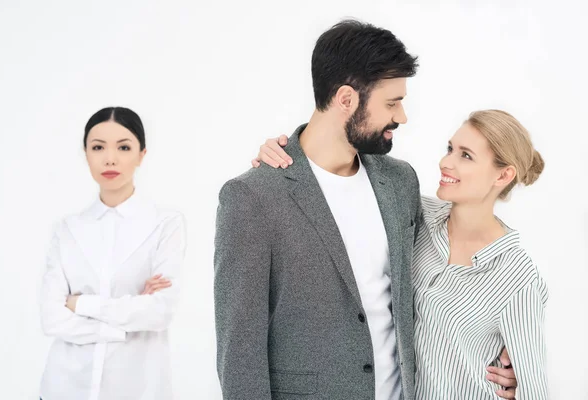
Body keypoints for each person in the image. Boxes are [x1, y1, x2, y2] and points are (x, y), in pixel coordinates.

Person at [214, 20, 516, 400]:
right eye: (392, 103)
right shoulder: (253, 198)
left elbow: (456, 252)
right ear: (345, 99)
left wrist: (503, 347)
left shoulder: (400, 182)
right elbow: (238, 353)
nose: (402, 117)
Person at [253, 110, 548, 398]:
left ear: (504, 175)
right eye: (450, 149)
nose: (446, 162)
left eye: (466, 155)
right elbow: (346, 191)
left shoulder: (517, 275)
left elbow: (534, 388)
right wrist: (286, 162)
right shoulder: (414, 215)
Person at [39, 107, 186, 400]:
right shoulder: (67, 230)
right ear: (85, 153)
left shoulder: (165, 225)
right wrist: (127, 322)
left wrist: (79, 303)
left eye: (124, 147)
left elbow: (160, 313)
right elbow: (52, 319)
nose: (110, 158)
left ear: (142, 154)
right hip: (64, 388)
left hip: (137, 389)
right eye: (98, 147)